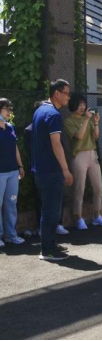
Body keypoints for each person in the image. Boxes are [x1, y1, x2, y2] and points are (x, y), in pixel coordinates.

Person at [32, 80, 74, 261]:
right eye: (66, 93)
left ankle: (49, 244)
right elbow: (56, 144)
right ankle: (47, 250)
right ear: (57, 93)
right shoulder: (53, 114)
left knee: (47, 210)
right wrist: (66, 170)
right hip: (52, 171)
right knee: (51, 211)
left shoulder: (40, 111)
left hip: (40, 170)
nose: (68, 97)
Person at [64, 94, 102, 230]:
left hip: (92, 153)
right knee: (79, 188)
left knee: (98, 187)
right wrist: (86, 120)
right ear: (73, 106)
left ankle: (97, 216)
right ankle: (78, 217)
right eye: (79, 105)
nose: (82, 107)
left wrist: (95, 122)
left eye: (84, 104)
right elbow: (79, 136)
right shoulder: (68, 121)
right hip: (79, 155)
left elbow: (96, 136)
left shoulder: (88, 119)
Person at [24, 101, 69, 237]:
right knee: (42, 200)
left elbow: (60, 144)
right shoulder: (29, 130)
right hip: (41, 169)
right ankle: (42, 228)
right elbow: (31, 150)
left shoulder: (54, 124)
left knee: (57, 198)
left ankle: (57, 225)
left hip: (55, 167)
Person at [0, 98, 26, 248]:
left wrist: (20, 165)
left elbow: (15, 147)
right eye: (7, 109)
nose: (10, 112)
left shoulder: (10, 127)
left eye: (10, 109)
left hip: (12, 172)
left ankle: (11, 235)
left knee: (11, 203)